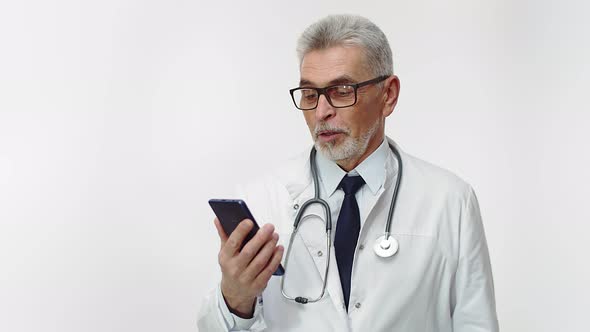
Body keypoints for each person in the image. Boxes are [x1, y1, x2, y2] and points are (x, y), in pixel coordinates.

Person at [198, 14, 499, 331]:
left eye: (341, 90)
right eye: (310, 94)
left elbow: (476, 323)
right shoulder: (262, 199)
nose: (321, 112)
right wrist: (235, 300)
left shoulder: (450, 201)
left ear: (388, 95)